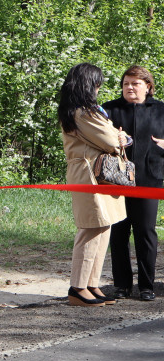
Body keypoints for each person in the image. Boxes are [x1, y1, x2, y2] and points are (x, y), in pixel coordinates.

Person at [58, 62, 128, 306]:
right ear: (88, 84)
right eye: (97, 84)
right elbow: (111, 140)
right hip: (87, 174)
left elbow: (115, 139)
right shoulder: (82, 112)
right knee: (91, 229)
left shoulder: (85, 111)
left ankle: (91, 284)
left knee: (103, 226)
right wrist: (120, 138)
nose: (99, 89)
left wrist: (120, 138)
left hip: (96, 173)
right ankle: (78, 287)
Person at [103, 65, 164, 301]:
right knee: (118, 232)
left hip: (150, 179)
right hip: (116, 180)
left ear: (147, 86)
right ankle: (122, 285)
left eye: (135, 83)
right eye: (126, 83)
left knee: (146, 233)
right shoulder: (109, 110)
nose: (130, 87)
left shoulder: (161, 110)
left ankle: (147, 287)